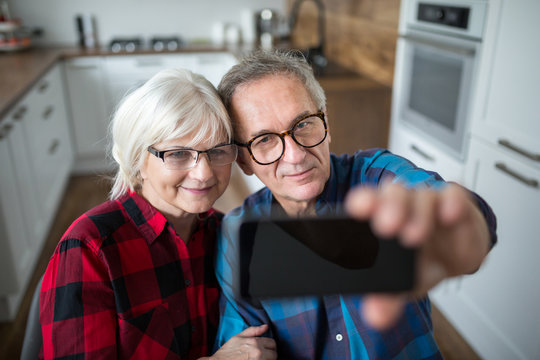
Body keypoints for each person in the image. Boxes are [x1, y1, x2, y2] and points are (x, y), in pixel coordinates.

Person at [214, 50, 497, 359]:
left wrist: (462, 224)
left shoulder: (378, 175)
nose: (295, 155)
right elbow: (245, 347)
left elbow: (443, 203)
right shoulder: (237, 236)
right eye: (264, 140)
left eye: (304, 124)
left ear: (327, 122)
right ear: (243, 160)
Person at [39, 68, 277, 360]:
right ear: (137, 158)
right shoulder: (89, 249)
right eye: (178, 154)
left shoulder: (227, 234)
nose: (203, 174)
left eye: (217, 152)